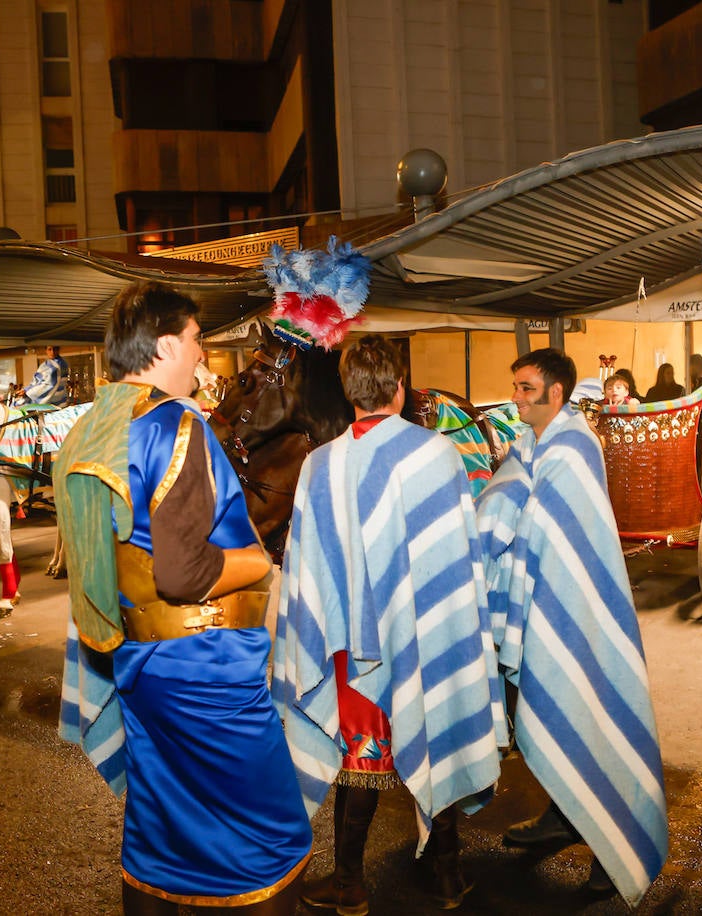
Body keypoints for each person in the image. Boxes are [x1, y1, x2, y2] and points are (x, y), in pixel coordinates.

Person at [55, 281, 311, 916]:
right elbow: (183, 571)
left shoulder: (95, 426)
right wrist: (257, 561)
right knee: (271, 839)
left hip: (142, 664)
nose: (202, 356)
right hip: (207, 671)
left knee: (161, 836)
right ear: (167, 344)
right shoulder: (175, 425)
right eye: (197, 341)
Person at [274, 335, 505, 914]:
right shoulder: (438, 455)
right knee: (437, 732)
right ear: (399, 388)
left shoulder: (319, 466)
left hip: (353, 648)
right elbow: (454, 558)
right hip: (428, 637)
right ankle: (447, 876)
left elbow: (307, 566)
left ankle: (350, 883)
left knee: (363, 757)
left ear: (348, 392)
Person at [475, 348, 668, 906]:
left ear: (556, 394)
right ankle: (566, 816)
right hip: (544, 605)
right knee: (564, 708)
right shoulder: (532, 443)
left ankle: (614, 844)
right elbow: (506, 493)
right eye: (514, 386)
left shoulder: (574, 446)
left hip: (578, 612)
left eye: (526, 388)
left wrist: (507, 520)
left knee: (592, 710)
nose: (516, 397)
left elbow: (548, 528)